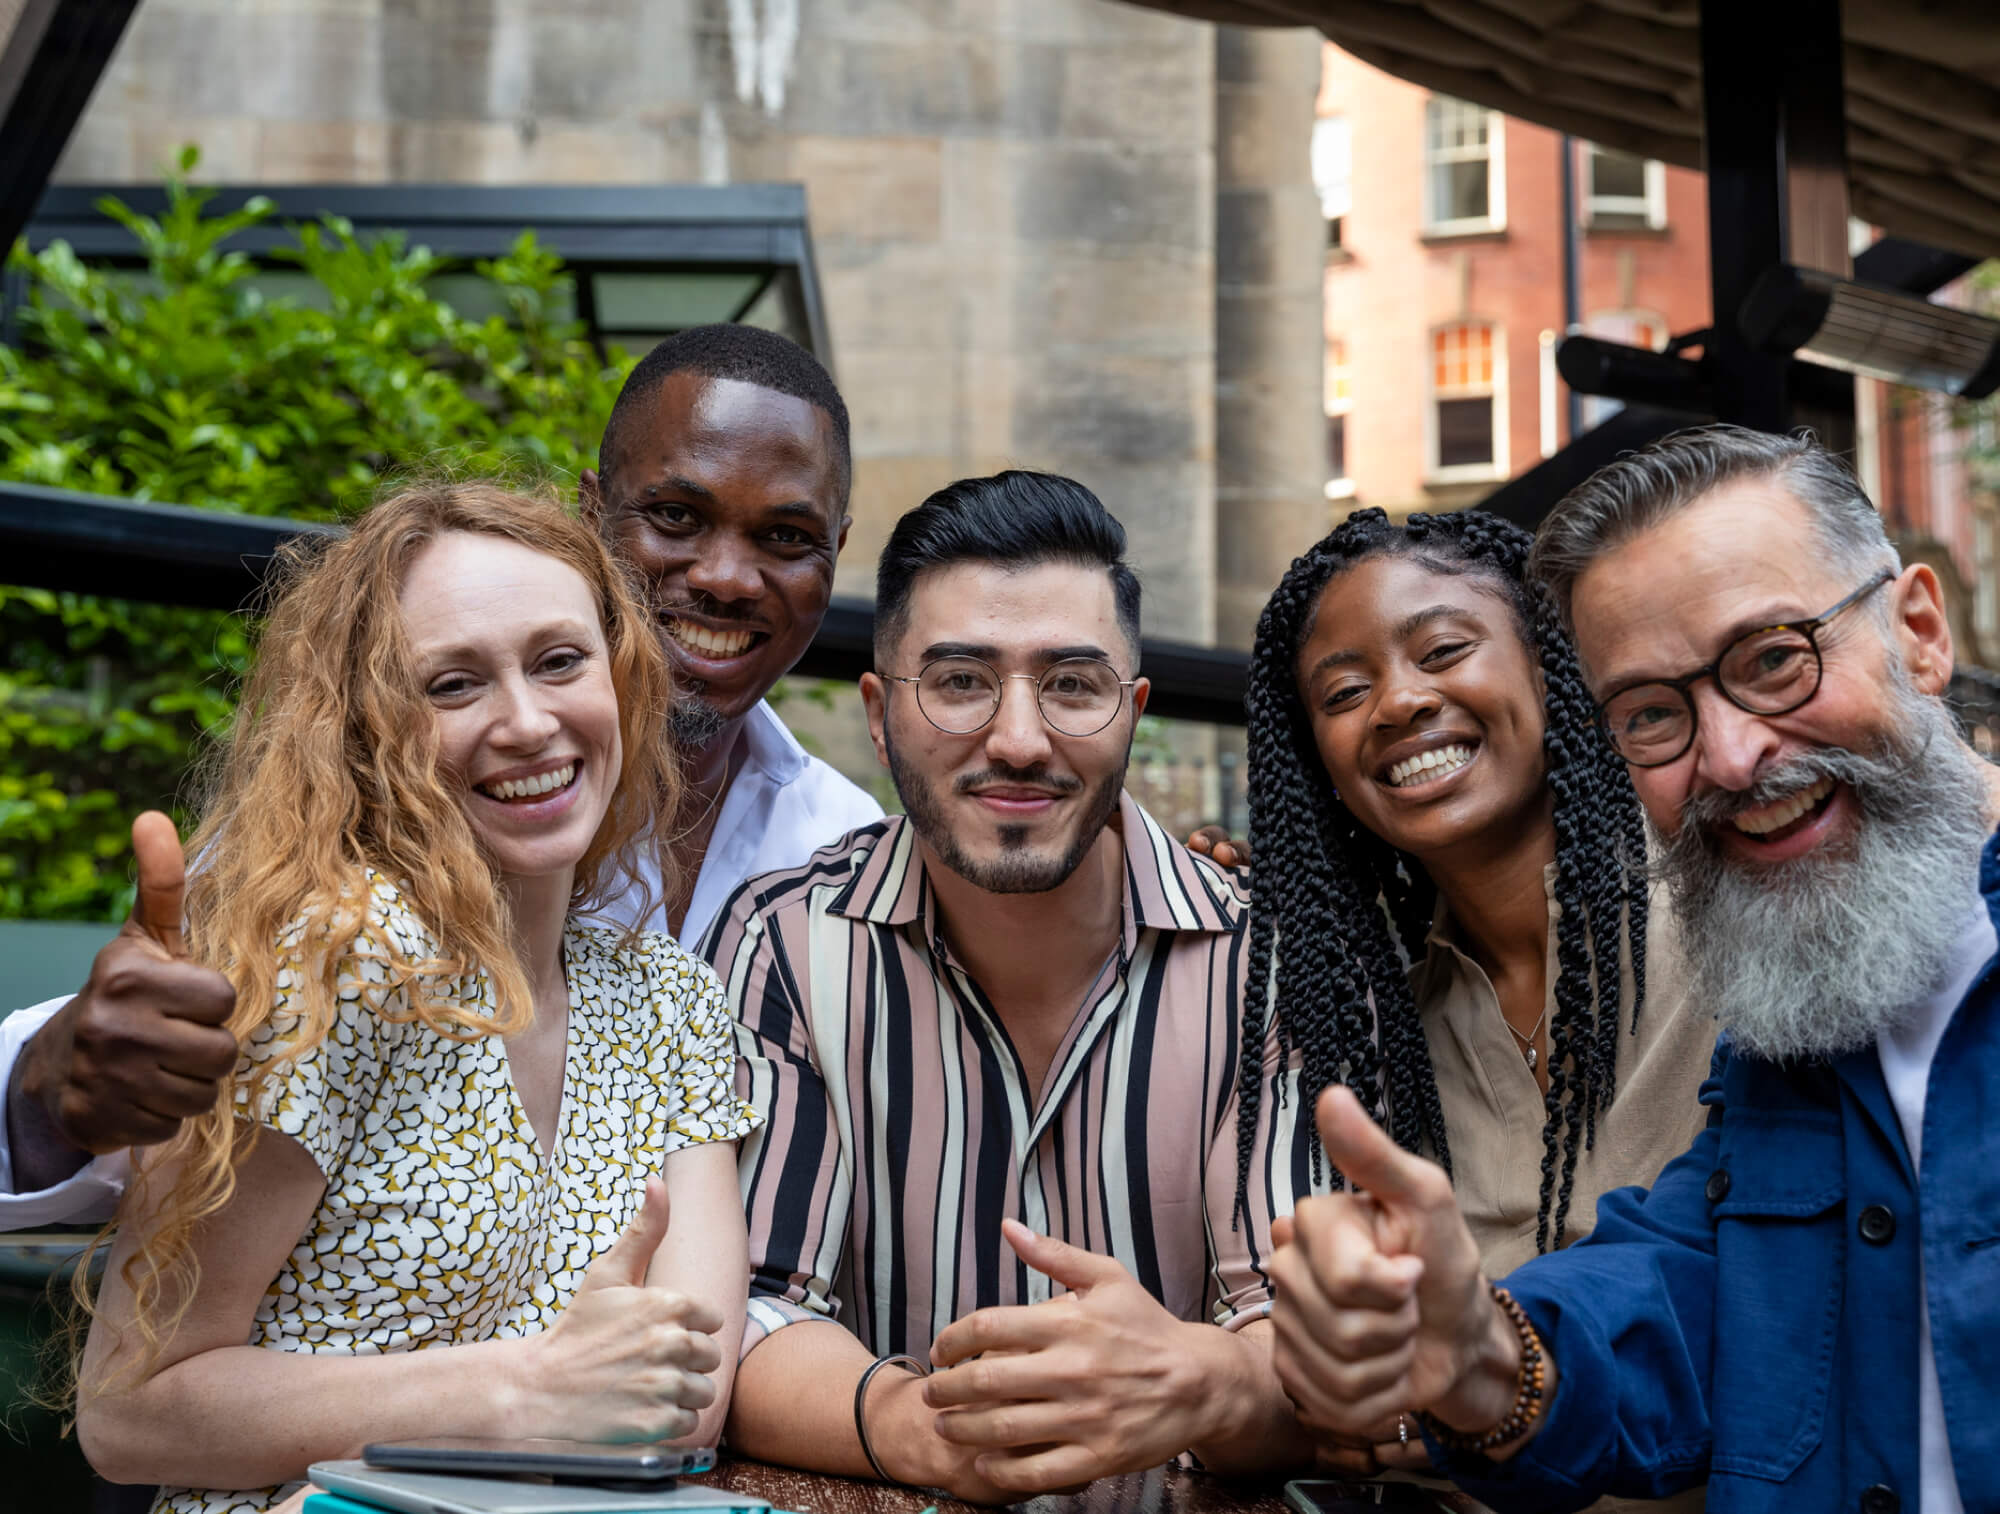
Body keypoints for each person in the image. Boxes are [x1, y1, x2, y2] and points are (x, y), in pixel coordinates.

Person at [1265, 425, 2000, 1513]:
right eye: (1652, 714)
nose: (1731, 757)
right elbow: (1701, 1290)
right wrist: (1478, 1350)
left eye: (1770, 659)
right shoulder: (1808, 981)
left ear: (1918, 631)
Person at [1, 323, 880, 1227]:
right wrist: (44, 1092)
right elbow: (175, 1070)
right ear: (592, 514)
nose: (728, 577)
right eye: (675, 517)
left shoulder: (848, 857)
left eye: (785, 536)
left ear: (835, 556)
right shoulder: (377, 794)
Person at [75, 482, 760, 1514]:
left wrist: (587, 1387)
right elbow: (129, 1409)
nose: (527, 722)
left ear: (621, 676)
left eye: (559, 660)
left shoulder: (668, 1001)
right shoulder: (334, 960)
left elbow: (679, 1393)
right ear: (361, 730)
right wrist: (525, 1385)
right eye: (451, 683)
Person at [706, 471, 1314, 1502]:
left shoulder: (1270, 963)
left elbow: (1308, 1354)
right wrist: (915, 1424)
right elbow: (751, 1305)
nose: (1019, 736)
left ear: (1132, 710)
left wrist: (1198, 1381)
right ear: (880, 713)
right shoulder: (783, 942)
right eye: (959, 679)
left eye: (1071, 683)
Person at [1235, 507, 1714, 1497]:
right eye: (1343, 690)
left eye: (1442, 648)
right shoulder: (1379, 1038)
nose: (1398, 702)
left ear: (1549, 663)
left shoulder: (1730, 909)